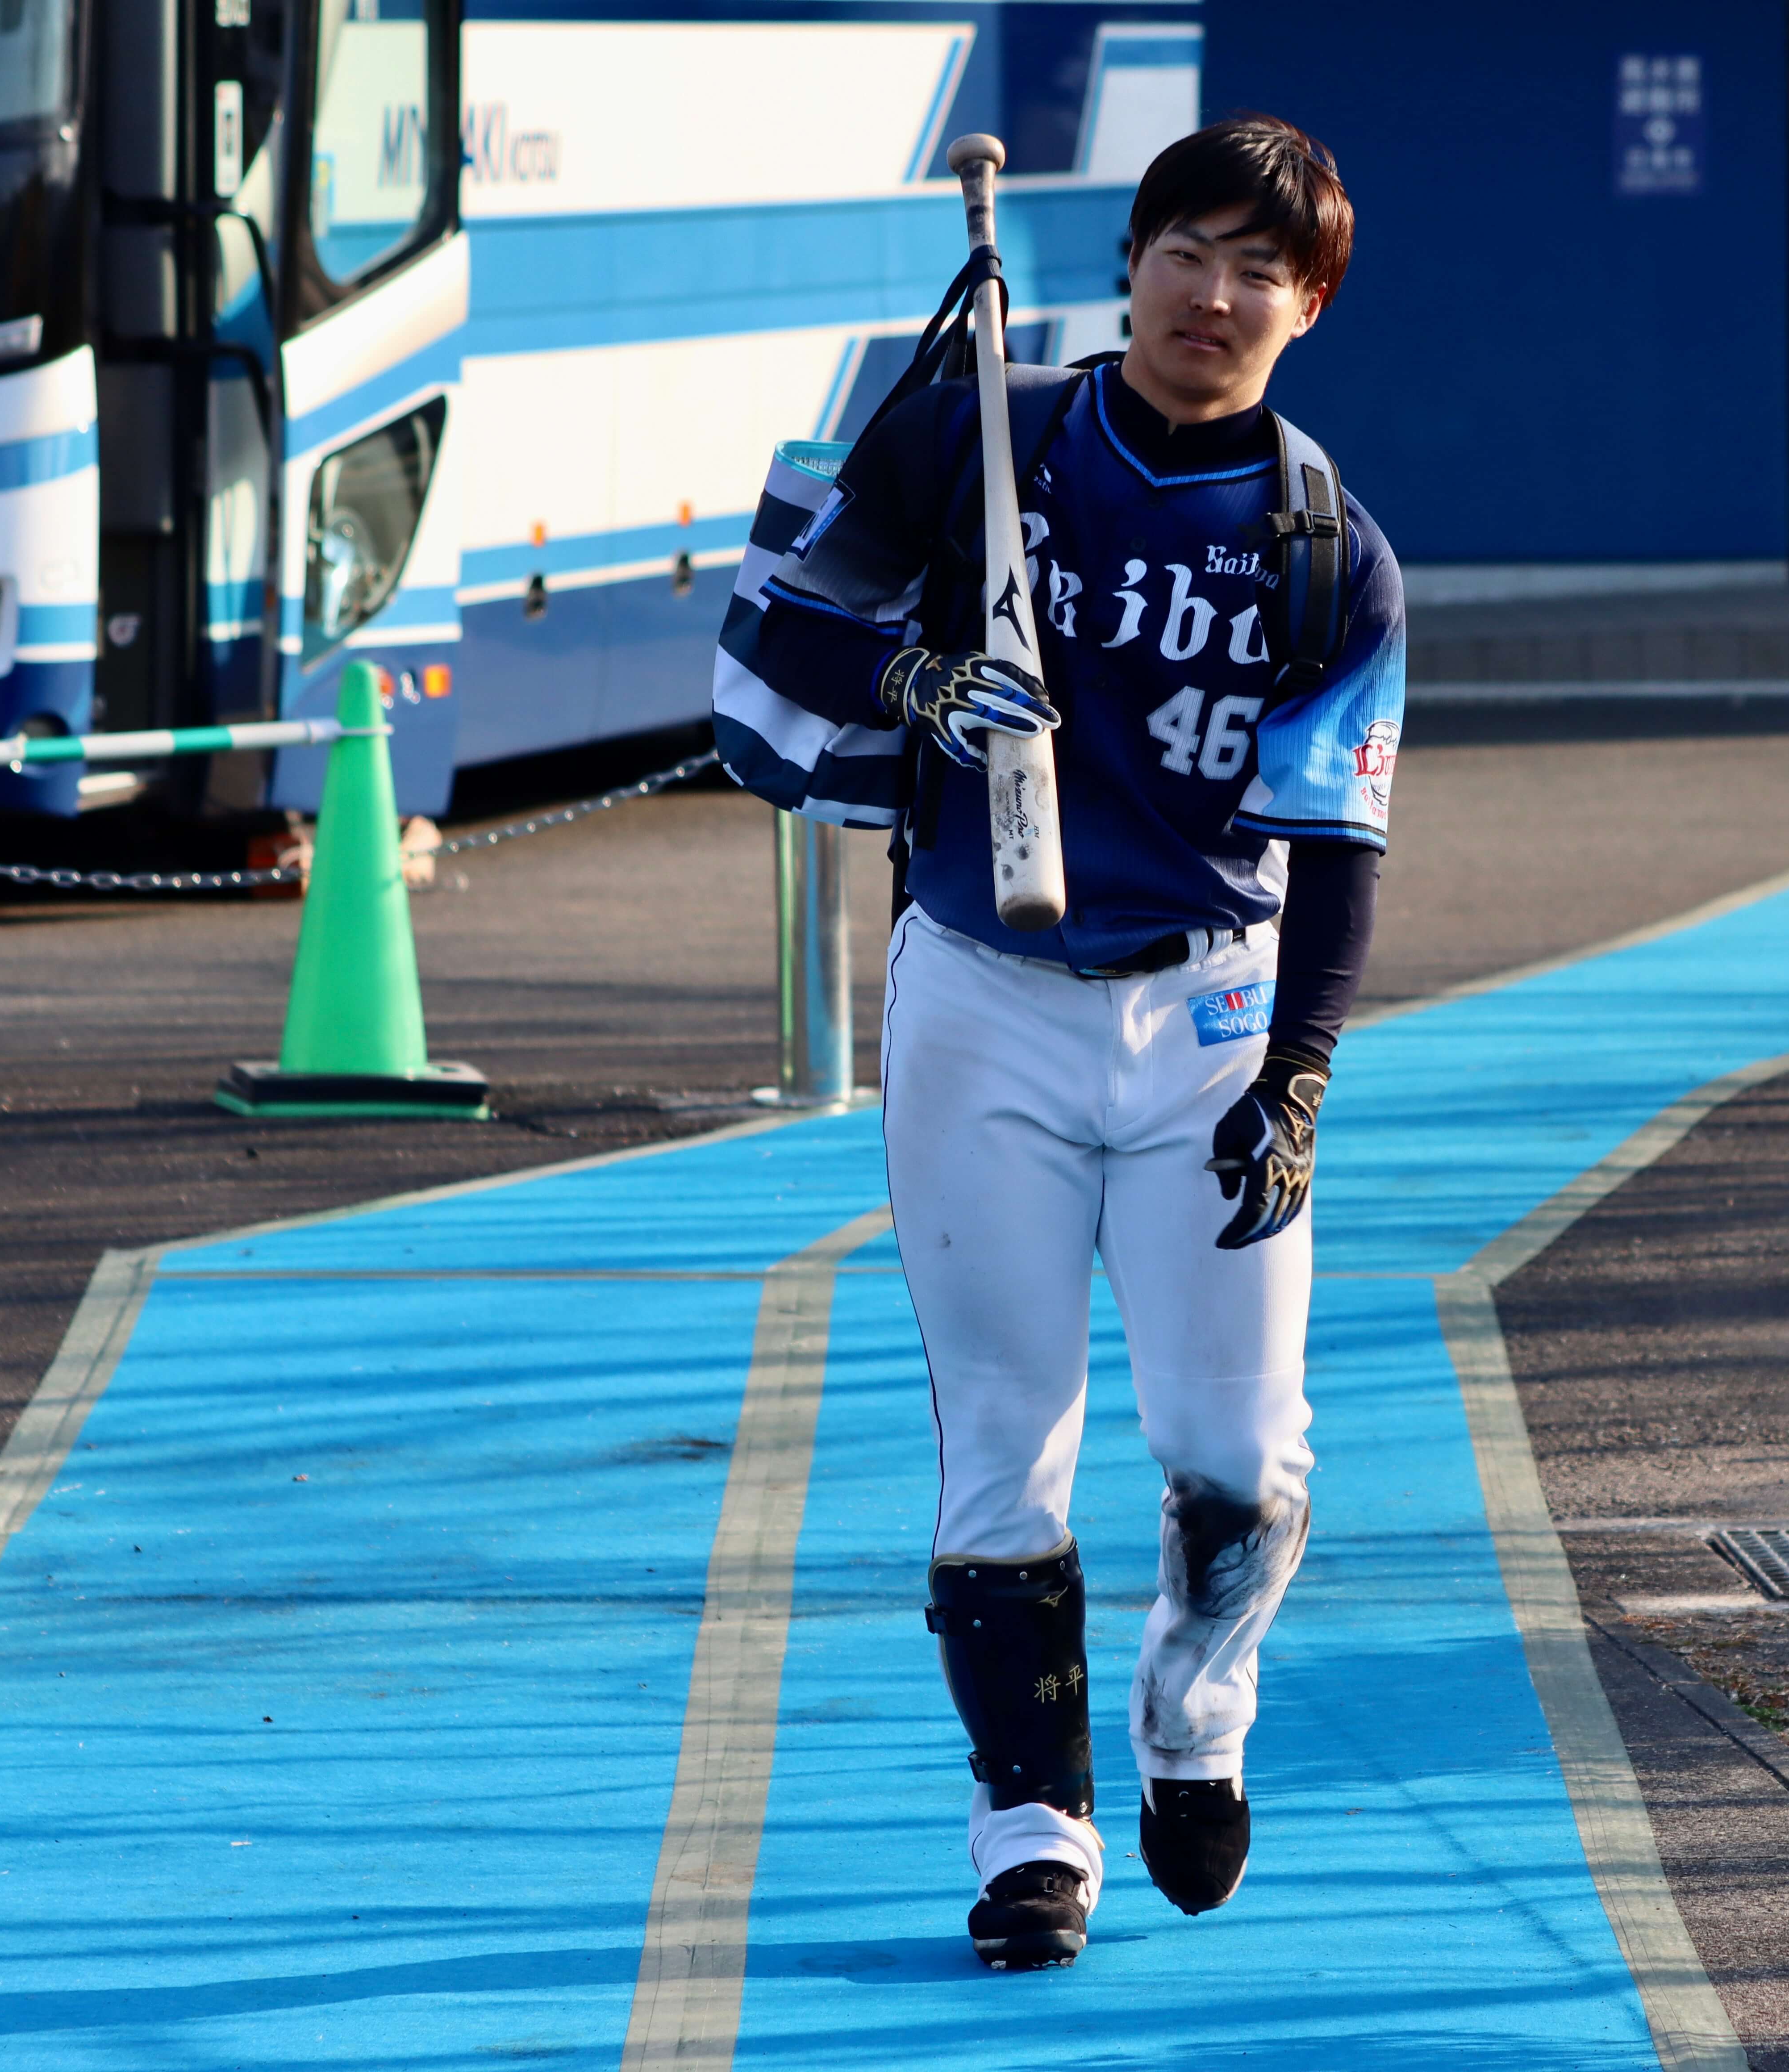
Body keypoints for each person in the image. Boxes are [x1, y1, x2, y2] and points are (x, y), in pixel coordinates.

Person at [717, 113, 1401, 1970]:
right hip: (980, 996)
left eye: (1262, 264)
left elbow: (1338, 844)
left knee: (1243, 1462)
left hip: (1212, 1011)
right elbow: (775, 637)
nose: (1216, 288)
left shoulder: (1328, 546)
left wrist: (1302, 1076)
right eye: (1187, 245)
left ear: (1311, 304)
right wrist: (923, 682)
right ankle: (1033, 1823)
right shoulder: (978, 428)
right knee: (1001, 1444)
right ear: (1131, 262)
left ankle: (1195, 1719)